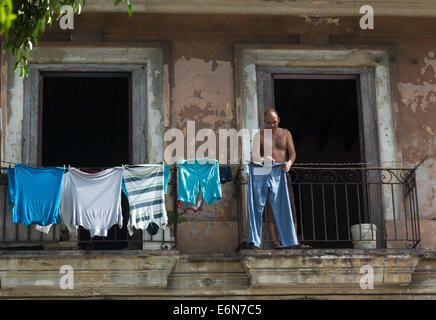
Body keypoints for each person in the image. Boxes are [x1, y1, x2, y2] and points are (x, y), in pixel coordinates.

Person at [251, 108, 310, 249]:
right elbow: (253, 157)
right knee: (271, 208)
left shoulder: (286, 133)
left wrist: (289, 163)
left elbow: (293, 153)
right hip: (267, 174)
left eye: (274, 122)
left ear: (279, 120)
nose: (272, 125)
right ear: (264, 122)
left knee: (290, 207)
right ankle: (274, 241)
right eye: (268, 123)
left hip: (283, 173)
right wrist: (264, 157)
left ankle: (293, 241)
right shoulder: (259, 136)